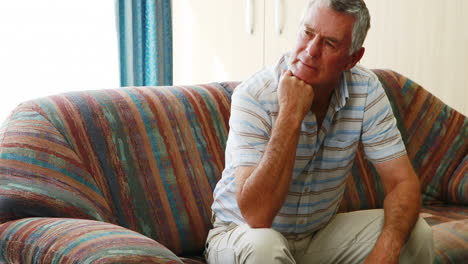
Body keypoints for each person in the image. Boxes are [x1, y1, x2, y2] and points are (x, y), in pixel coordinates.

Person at [206, 0, 434, 263]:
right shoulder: (254, 96)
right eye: (307, 32)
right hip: (242, 233)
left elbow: (401, 182)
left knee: (416, 233)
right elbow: (257, 216)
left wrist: (385, 252)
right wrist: (291, 114)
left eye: (329, 43)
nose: (311, 51)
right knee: (265, 246)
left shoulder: (366, 89)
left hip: (317, 235)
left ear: (352, 58)